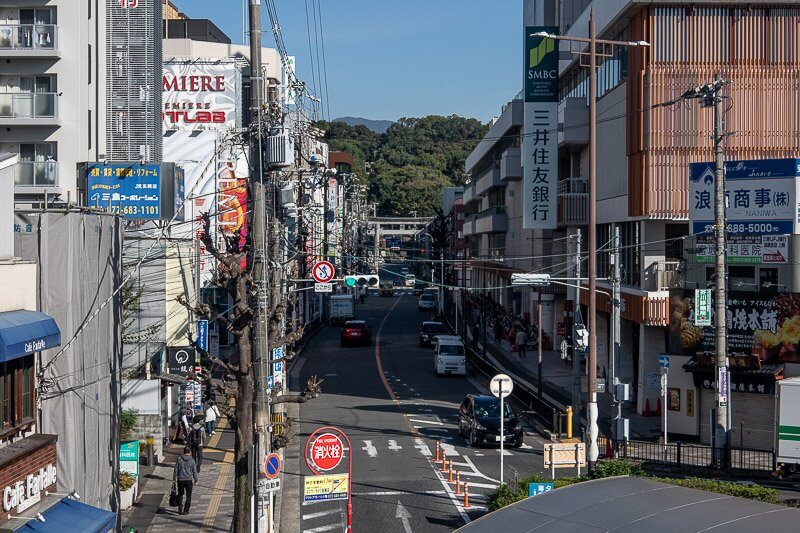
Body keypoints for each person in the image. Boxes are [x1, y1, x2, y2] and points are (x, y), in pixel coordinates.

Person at [173, 446, 198, 515]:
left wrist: (174, 479)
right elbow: (194, 471)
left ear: (183, 452)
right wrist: (195, 479)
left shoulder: (179, 459)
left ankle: (180, 508)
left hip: (180, 480)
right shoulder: (192, 460)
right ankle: (186, 510)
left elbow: (176, 469)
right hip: (189, 480)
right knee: (188, 495)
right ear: (190, 452)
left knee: (180, 494)